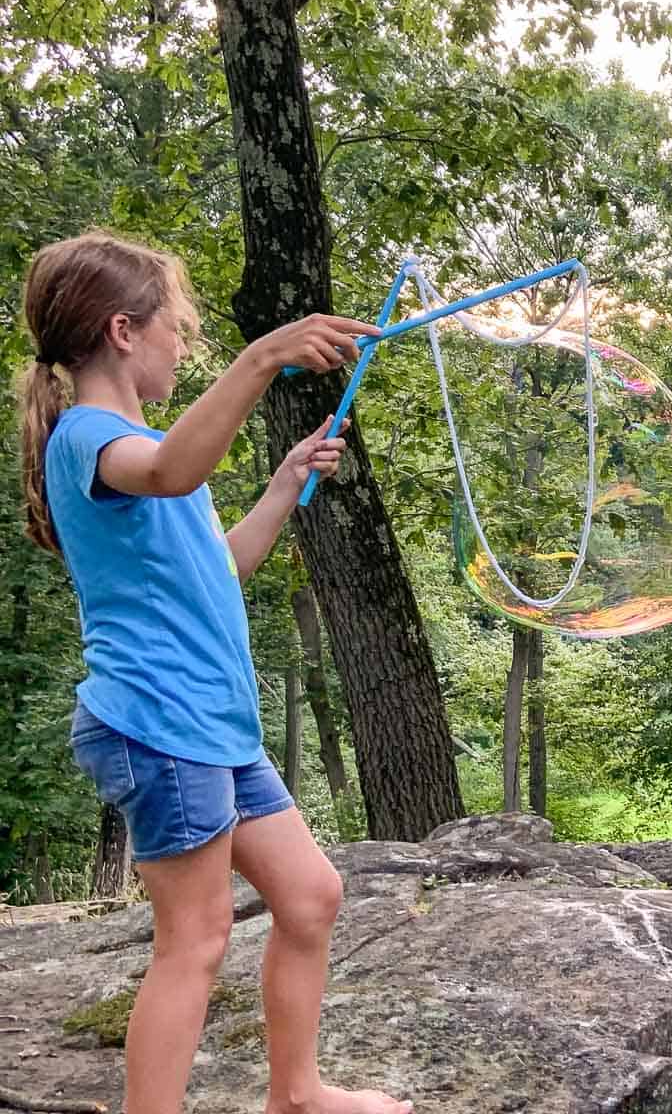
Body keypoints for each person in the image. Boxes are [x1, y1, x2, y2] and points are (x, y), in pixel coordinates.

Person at [15, 230, 412, 1114]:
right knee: (192, 941)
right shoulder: (90, 436)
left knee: (310, 896)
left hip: (211, 728)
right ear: (124, 331)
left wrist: (281, 485)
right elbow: (168, 466)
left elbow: (219, 566)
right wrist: (266, 354)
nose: (182, 345)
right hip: (159, 724)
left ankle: (297, 1093)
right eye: (177, 328)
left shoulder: (147, 451)